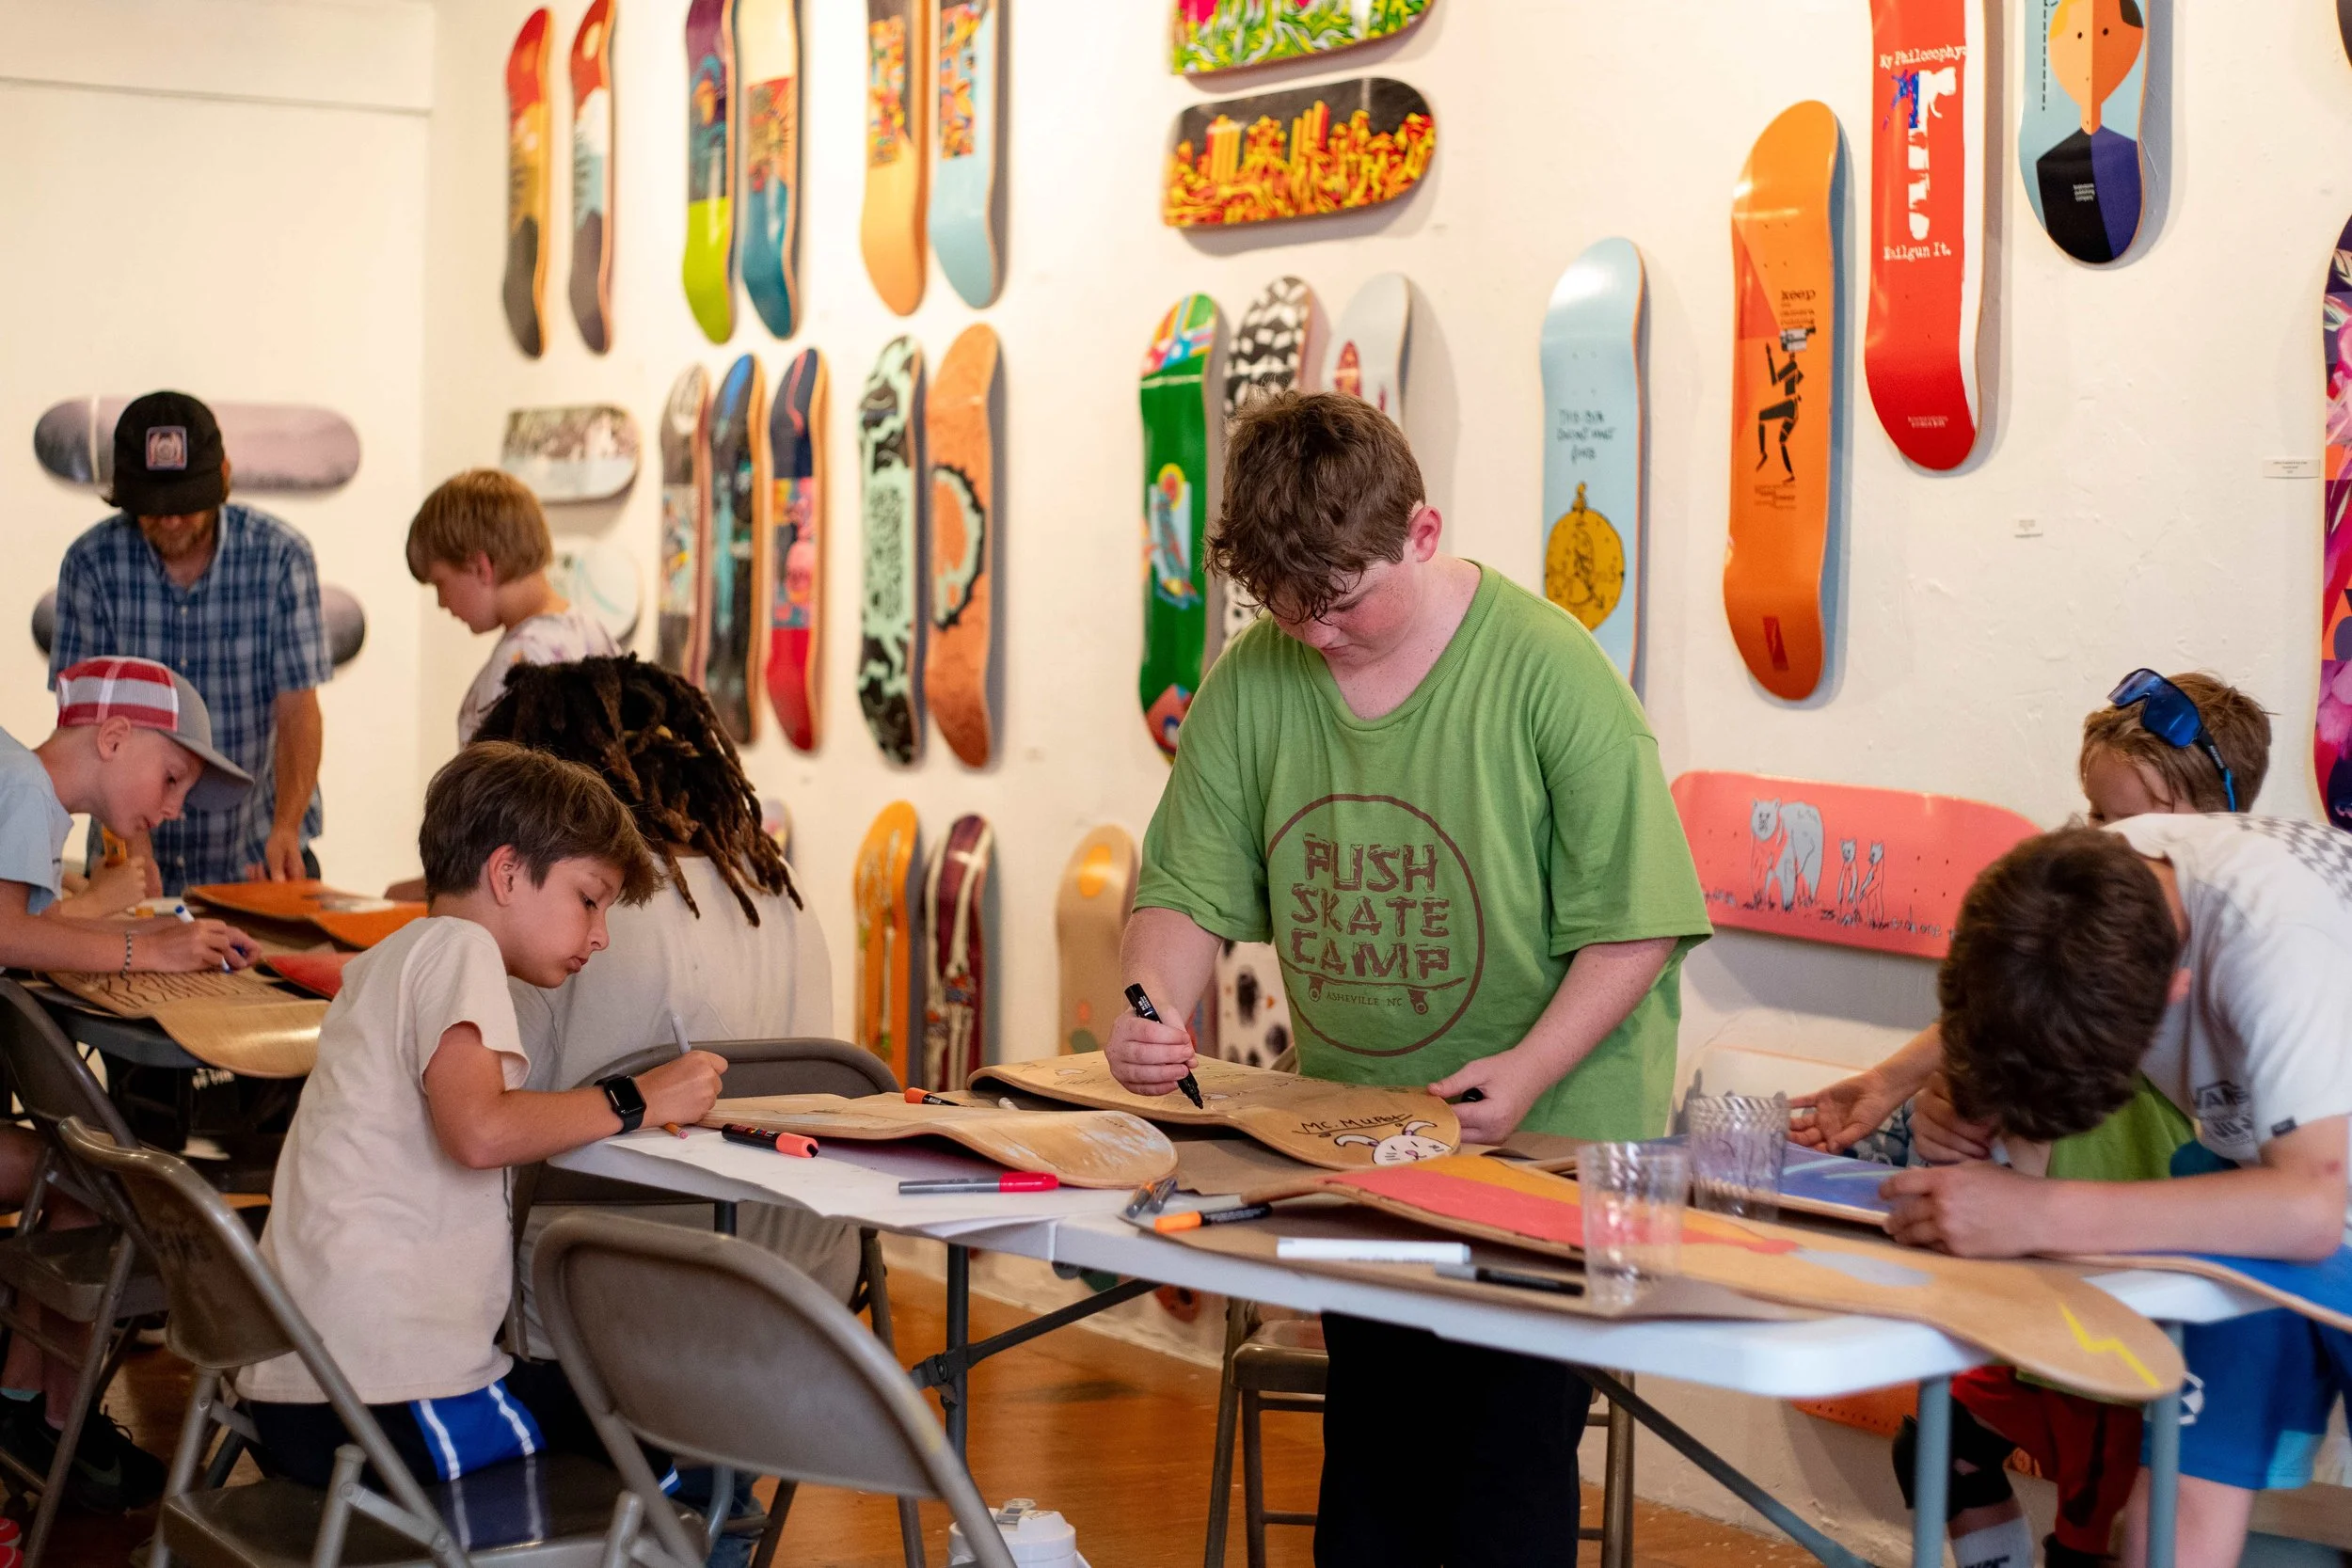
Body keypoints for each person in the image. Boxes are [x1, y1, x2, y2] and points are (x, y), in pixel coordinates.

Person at [1104, 390, 1711, 1567]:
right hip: (1363, 1138)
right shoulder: (1256, 676)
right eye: (1283, 607)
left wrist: (1530, 1067)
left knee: (1499, 1460)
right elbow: (1182, 891)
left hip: (1548, 1144)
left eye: (1340, 602)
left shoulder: (1551, 674)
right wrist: (1149, 1009)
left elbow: (1638, 922)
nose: (1313, 632)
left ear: (1422, 534)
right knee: (1378, 1454)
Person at [1797, 670, 2270, 1568]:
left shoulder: (2234, 963)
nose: (2109, 844)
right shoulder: (2094, 928)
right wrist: (1911, 1084)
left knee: (2093, 1536)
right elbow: (2013, 993)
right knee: (1937, 1444)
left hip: (2132, 1308)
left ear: (2217, 822)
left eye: (2131, 822)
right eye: (2096, 818)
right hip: (2042, 1290)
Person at [239, 742, 723, 1487]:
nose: (600, 934)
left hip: (312, 1390)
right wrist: (642, 1099)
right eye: (589, 899)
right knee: (669, 1443)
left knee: (594, 1406)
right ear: (505, 872)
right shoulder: (460, 951)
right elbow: (480, 1130)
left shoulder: (391, 959)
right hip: (383, 1402)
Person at [474, 657, 851, 1337]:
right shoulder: (783, 887)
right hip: (801, 1286)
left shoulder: (563, 908)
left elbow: (483, 1129)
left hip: (596, 1292)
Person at [0, 655, 258, 1510]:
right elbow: (9, 935)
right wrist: (146, 947)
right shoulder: (22, 787)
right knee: (97, 1172)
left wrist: (109, 908)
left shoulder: (26, 798)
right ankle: (44, 1418)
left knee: (84, 1166)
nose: (175, 806)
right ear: (112, 736)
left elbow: (37, 921)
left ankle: (32, 1409)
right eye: (173, 775)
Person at [49, 392, 329, 893]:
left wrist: (285, 828)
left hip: (253, 855)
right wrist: (135, 854)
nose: (172, 520)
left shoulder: (282, 557)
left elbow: (298, 710)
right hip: (124, 853)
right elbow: (85, 726)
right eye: (153, 509)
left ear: (223, 477)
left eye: (184, 504)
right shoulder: (90, 564)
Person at [405, 468, 618, 746]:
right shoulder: (592, 630)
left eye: (440, 584)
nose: (442, 603)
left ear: (480, 568)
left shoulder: (518, 663)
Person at [2032, 0, 2146, 264]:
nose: (2089, 55)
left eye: (2106, 34)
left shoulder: (2122, 153)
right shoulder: (2049, 163)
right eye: (2078, 37)